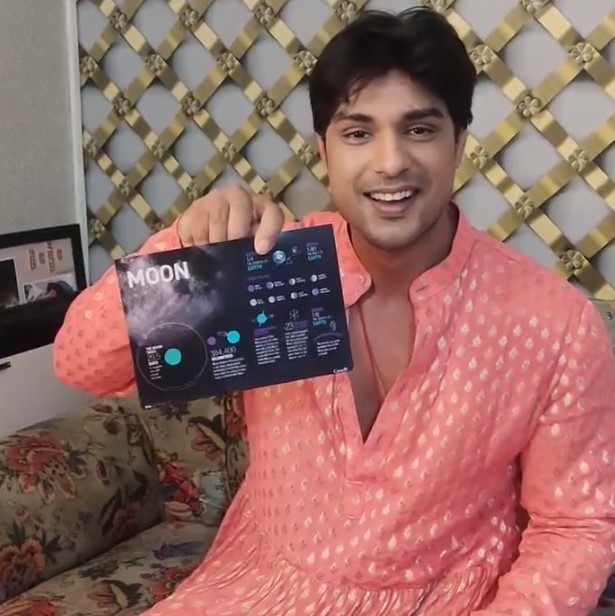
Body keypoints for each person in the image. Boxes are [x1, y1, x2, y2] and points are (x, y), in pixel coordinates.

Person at [53, 7, 615, 615]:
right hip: (255, 590)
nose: (390, 161)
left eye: (419, 129)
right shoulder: (269, 270)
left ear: (459, 143)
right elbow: (84, 363)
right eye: (358, 133)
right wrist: (183, 251)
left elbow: (577, 526)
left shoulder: (553, 322)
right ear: (324, 150)